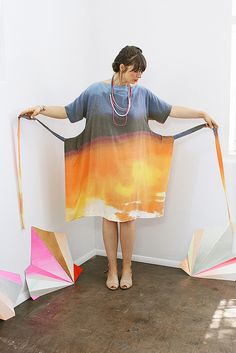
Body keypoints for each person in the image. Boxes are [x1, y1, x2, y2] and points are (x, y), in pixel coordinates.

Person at [19, 45, 218, 291]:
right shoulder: (95, 92)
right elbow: (70, 112)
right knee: (108, 217)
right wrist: (42, 108)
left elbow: (170, 110)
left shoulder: (142, 94)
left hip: (131, 169)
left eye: (142, 73)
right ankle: (112, 268)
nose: (139, 77)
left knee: (127, 219)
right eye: (136, 71)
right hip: (104, 169)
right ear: (122, 67)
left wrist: (201, 113)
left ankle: (127, 268)